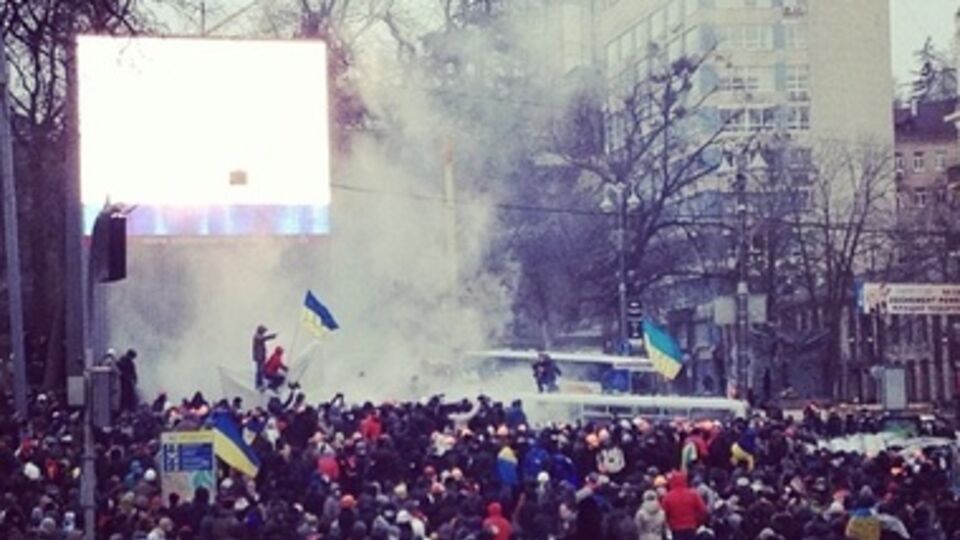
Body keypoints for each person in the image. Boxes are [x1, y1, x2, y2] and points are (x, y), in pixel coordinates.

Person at [660, 470, 708, 540]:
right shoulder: (693, 494)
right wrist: (698, 521)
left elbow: (663, 514)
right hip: (691, 527)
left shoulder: (667, 497)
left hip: (675, 529)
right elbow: (703, 510)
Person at [252, 325, 277, 390]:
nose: (264, 332)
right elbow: (263, 338)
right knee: (259, 371)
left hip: (261, 356)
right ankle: (259, 384)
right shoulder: (257, 336)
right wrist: (271, 336)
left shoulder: (258, 336)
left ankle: (260, 383)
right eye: (263, 331)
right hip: (259, 357)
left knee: (260, 370)